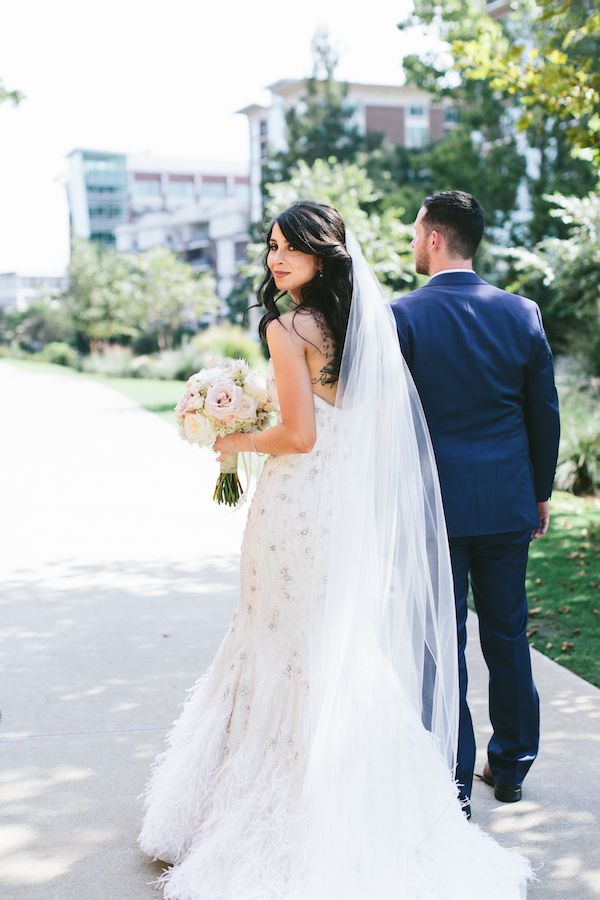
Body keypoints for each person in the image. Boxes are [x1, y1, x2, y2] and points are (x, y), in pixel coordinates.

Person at [138, 200, 531, 899]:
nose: (276, 258)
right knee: (325, 651)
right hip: (341, 512)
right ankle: (376, 802)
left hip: (295, 508)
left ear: (323, 254)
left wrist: (234, 438)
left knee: (274, 643)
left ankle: (268, 816)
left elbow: (299, 436)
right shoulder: (358, 325)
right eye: (270, 247)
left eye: (290, 247)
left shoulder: (287, 327)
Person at [392, 190, 560, 816]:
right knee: (508, 635)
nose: (413, 241)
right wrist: (538, 492)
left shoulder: (402, 316)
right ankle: (512, 765)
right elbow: (543, 413)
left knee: (443, 642)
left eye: (416, 231)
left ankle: (454, 782)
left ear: (435, 238)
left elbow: (391, 423)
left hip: (434, 509)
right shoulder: (521, 313)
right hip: (506, 504)